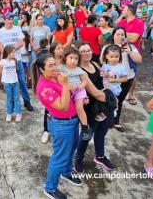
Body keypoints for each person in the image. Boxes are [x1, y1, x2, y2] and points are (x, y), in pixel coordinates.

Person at [34, 54, 82, 199]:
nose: (55, 67)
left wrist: (77, 93)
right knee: (59, 157)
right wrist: (66, 85)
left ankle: (66, 173)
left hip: (72, 120)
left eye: (55, 63)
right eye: (50, 65)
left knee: (70, 150)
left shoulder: (56, 77)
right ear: (42, 69)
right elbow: (62, 106)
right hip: (62, 124)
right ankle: (50, 188)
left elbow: (67, 93)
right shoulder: (43, 88)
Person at [75, 43, 116, 173]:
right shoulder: (80, 71)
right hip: (91, 107)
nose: (87, 53)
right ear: (78, 54)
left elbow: (105, 82)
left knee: (102, 132)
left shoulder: (96, 64)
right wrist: (111, 100)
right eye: (83, 51)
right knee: (87, 135)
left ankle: (100, 156)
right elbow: (94, 92)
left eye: (89, 50)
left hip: (102, 106)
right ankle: (79, 158)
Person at [0, 12, 34, 111]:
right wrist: (8, 55)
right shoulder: (0, 32)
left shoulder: (17, 29)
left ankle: (27, 102)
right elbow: (0, 47)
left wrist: (10, 50)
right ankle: (12, 104)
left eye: (12, 19)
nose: (10, 21)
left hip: (18, 61)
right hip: (7, 62)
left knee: (22, 82)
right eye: (8, 19)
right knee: (9, 84)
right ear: (4, 20)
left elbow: (21, 43)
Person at [116, 5, 144, 105]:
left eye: (124, 9)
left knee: (132, 74)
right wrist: (121, 16)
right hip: (119, 50)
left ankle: (131, 94)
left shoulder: (138, 22)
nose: (122, 10)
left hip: (132, 50)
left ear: (129, 11)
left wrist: (122, 35)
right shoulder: (122, 21)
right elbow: (114, 30)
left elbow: (134, 39)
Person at [58, 47, 90, 138]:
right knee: (67, 106)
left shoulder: (79, 69)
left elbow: (85, 81)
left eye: (76, 59)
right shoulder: (61, 68)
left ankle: (84, 126)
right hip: (67, 91)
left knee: (79, 108)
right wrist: (67, 86)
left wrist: (81, 86)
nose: (73, 61)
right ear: (65, 58)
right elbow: (57, 79)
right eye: (71, 58)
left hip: (79, 91)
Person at [0, 45, 21, 122]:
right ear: (7, 53)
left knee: (16, 98)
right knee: (9, 99)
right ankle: (9, 113)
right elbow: (0, 71)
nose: (14, 54)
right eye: (12, 52)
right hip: (7, 83)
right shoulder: (2, 61)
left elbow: (16, 70)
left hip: (15, 82)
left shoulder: (14, 61)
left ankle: (18, 113)